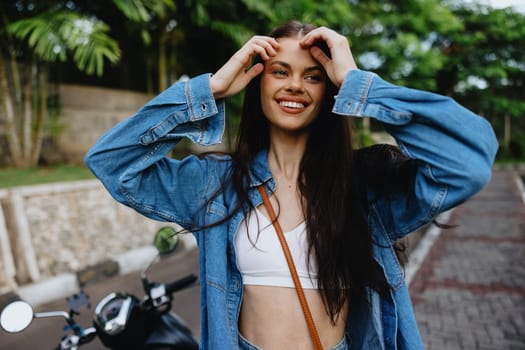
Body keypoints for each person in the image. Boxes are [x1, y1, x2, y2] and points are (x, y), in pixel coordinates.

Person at [85, 21, 498, 350]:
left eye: (314, 76)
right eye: (280, 71)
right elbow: (111, 162)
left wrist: (358, 83)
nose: (294, 86)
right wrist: (209, 90)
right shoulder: (215, 183)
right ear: (258, 82)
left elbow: (468, 163)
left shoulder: (365, 185)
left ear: (331, 89)